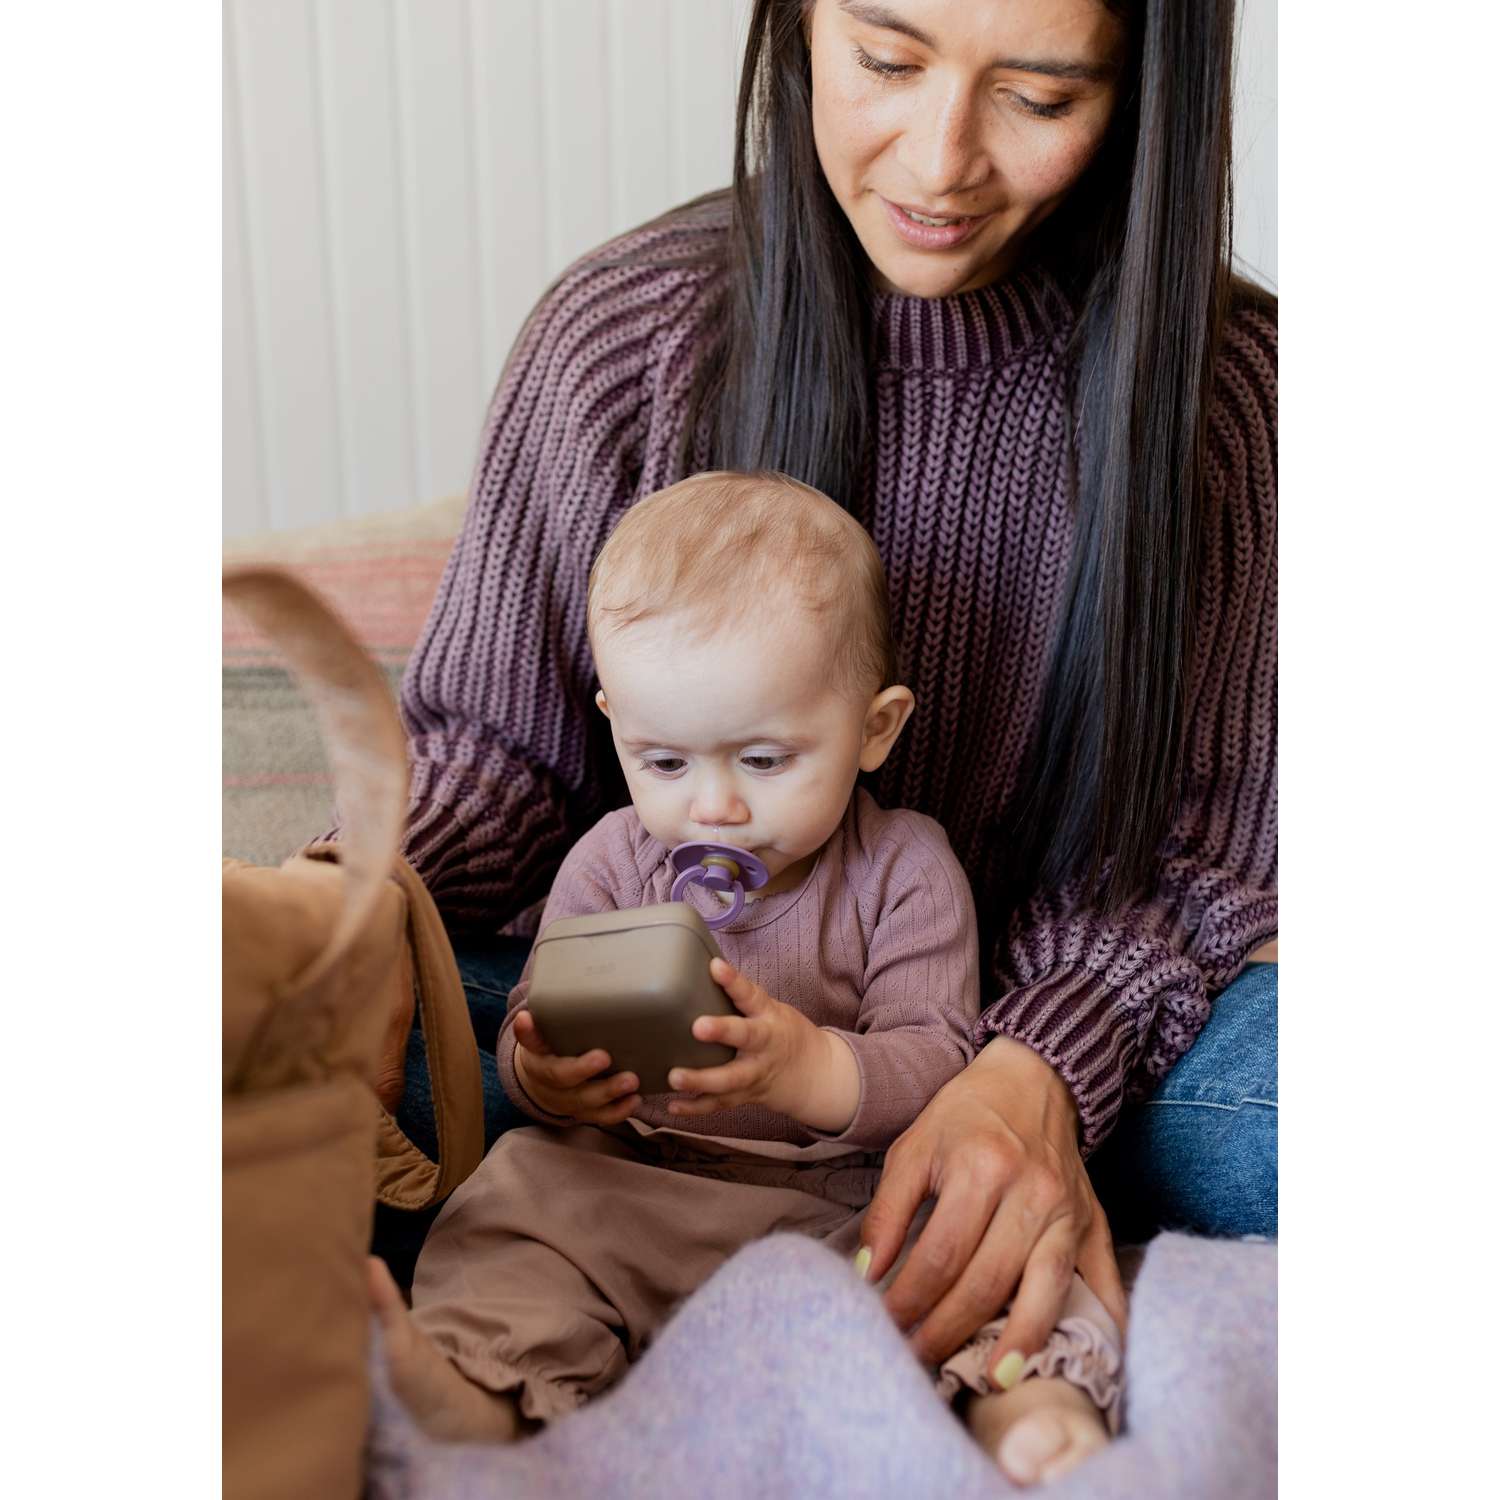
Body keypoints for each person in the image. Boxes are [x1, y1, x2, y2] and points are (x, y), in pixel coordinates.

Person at [375, 0, 1275, 1485]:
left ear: (1145, 97)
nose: (939, 159)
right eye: (886, 58)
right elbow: (499, 758)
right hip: (649, 1135)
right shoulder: (627, 332)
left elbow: (1201, 869)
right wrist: (347, 906)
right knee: (352, 1046)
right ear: (796, 26)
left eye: (1039, 96)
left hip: (1055, 1039)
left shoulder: (1237, 404)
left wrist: (1030, 1070)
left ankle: (1014, 1318)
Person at [372, 472, 1125, 1480]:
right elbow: (529, 1019)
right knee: (516, 1201)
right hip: (640, 1186)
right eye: (666, 762)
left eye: (764, 761)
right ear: (614, 723)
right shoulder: (610, 859)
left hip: (845, 1204)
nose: (713, 807)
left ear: (874, 727)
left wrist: (800, 1067)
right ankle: (478, 1388)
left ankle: (1025, 1406)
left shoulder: (905, 868)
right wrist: (544, 1073)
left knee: (988, 1241)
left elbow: (937, 1058)